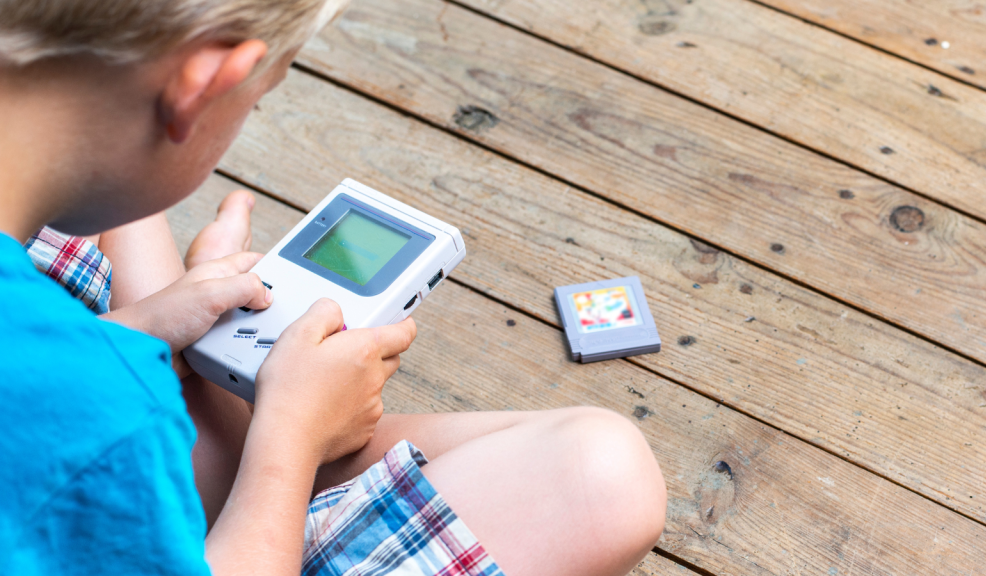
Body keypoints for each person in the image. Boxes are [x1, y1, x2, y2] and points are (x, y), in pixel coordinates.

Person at [0, 1, 668, 575]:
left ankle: (240, 419)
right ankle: (251, 433)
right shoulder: (104, 415)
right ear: (203, 87)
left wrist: (145, 322)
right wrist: (289, 437)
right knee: (604, 477)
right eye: (255, 101)